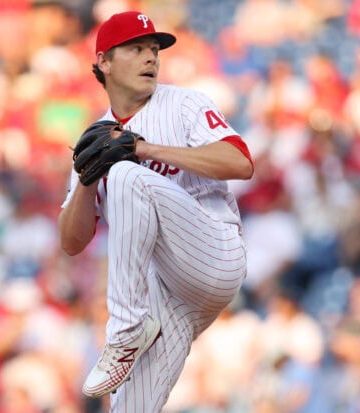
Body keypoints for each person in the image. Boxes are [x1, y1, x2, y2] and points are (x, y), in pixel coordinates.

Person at [58, 10, 254, 412]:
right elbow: (72, 241)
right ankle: (134, 326)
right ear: (104, 63)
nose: (151, 57)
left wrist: (143, 149)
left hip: (213, 250)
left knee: (128, 175)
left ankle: (125, 331)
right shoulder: (96, 135)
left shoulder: (184, 104)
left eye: (154, 49)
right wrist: (86, 179)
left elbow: (240, 162)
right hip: (164, 298)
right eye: (136, 49)